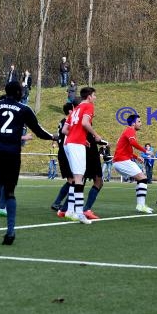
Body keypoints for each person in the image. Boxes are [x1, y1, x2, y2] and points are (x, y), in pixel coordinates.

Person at [0, 81, 57, 245]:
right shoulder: (24, 109)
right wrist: (54, 136)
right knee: (9, 192)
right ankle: (10, 232)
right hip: (12, 156)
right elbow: (38, 131)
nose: (23, 93)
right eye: (22, 91)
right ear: (18, 92)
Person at [62, 87, 103, 225]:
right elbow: (85, 123)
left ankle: (70, 211)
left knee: (75, 178)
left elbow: (65, 130)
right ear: (90, 96)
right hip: (75, 145)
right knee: (79, 178)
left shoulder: (75, 109)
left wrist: (79, 138)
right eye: (94, 95)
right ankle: (80, 213)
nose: (95, 98)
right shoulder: (88, 106)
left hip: (69, 143)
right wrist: (95, 135)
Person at [112, 114, 154, 214]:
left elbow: (126, 149)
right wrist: (145, 151)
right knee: (143, 178)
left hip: (121, 161)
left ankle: (141, 205)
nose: (141, 123)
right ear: (133, 123)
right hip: (121, 161)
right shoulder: (130, 130)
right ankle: (141, 205)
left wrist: (136, 157)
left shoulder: (128, 131)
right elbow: (133, 143)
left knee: (142, 178)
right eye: (139, 121)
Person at [51, 102, 75, 214]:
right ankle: (63, 204)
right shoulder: (68, 122)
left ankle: (59, 202)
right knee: (72, 180)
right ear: (71, 111)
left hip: (63, 152)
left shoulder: (62, 121)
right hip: (66, 152)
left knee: (71, 180)